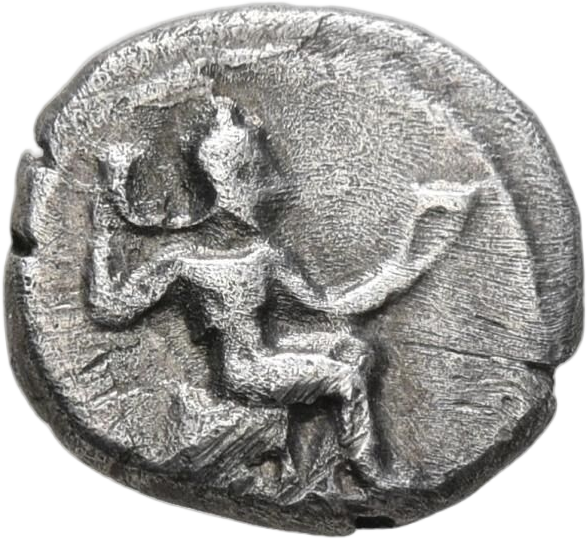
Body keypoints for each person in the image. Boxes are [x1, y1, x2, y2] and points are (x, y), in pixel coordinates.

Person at [88, 95, 481, 493]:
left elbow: (334, 308)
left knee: (353, 350)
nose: (274, 185)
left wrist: (411, 260)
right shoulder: (186, 263)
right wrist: (102, 234)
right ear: (236, 181)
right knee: (345, 380)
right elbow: (109, 309)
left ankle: (325, 465)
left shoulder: (263, 257)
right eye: (261, 174)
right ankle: (372, 473)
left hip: (264, 357)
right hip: (243, 374)